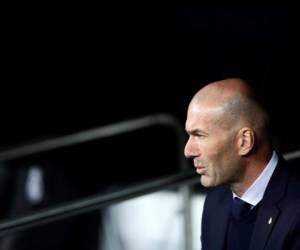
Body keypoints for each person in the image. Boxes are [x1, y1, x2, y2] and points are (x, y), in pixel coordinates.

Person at [184, 78, 300, 250]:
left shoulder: (296, 212)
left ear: (244, 141)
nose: (188, 151)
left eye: (199, 135)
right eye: (189, 135)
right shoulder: (215, 202)